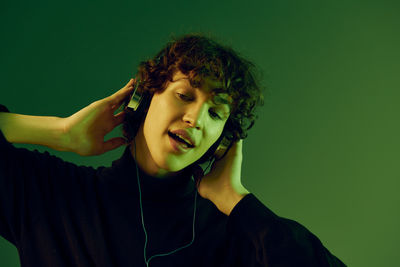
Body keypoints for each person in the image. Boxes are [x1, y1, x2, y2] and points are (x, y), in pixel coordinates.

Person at [0, 34, 346, 266]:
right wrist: (59, 132)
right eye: (185, 96)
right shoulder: (50, 194)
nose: (196, 118)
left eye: (216, 113)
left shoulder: (232, 238)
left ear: (224, 140)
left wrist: (239, 203)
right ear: (144, 98)